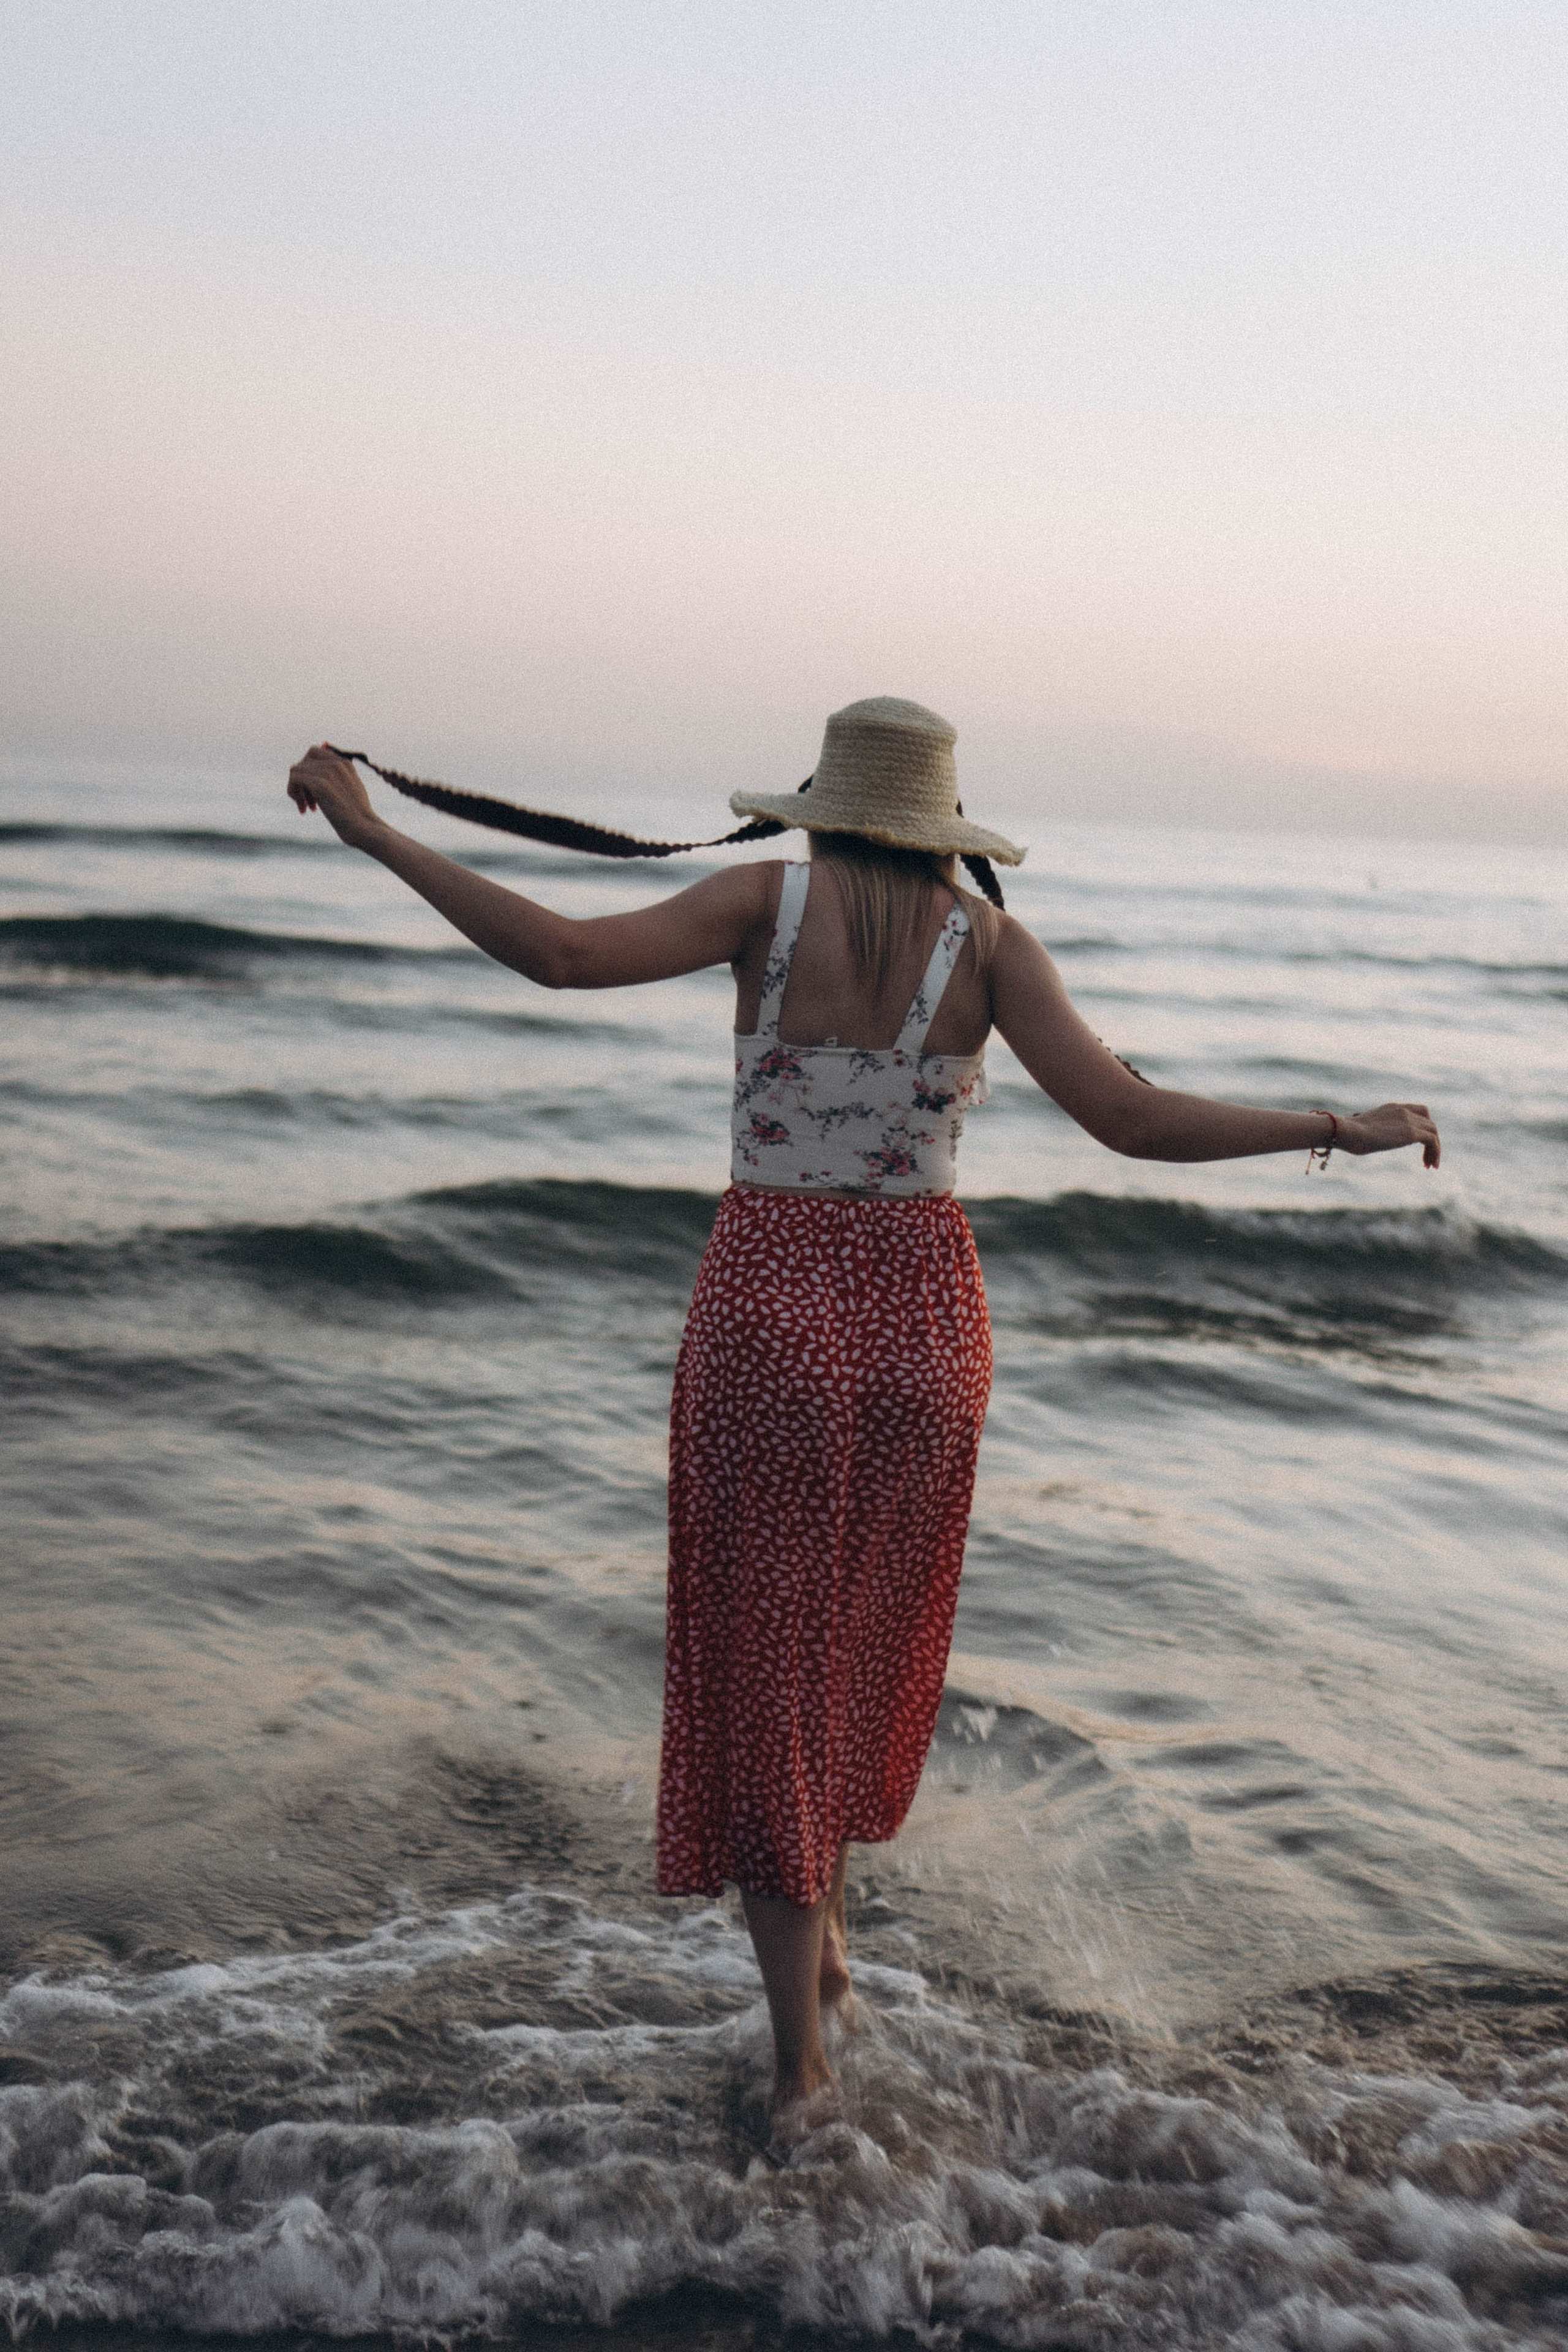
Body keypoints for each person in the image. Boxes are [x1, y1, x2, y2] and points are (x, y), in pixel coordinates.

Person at [287, 697, 1439, 2118]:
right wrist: (1337, 1126)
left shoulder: (763, 900)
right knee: (857, 1647)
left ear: (820, 803)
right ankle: (825, 1951)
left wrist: (373, 829)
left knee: (767, 1660)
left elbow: (564, 956)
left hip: (773, 1297)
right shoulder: (991, 946)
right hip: (925, 1321)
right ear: (943, 823)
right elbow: (1133, 1123)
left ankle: (800, 2071)